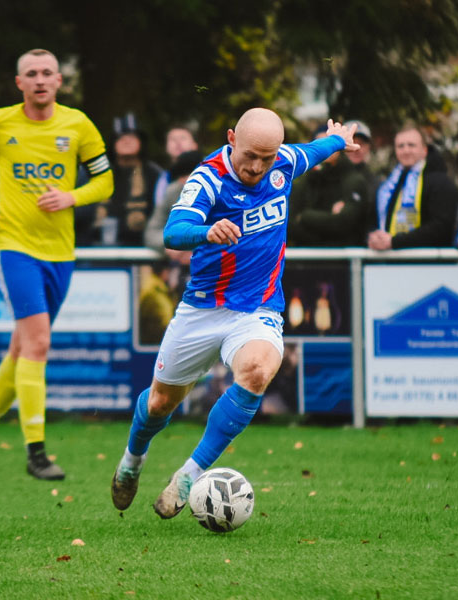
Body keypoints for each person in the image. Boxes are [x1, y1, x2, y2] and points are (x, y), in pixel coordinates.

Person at [109, 108, 358, 518]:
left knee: (259, 371)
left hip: (257, 310)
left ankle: (188, 477)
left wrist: (337, 139)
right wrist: (206, 231)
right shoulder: (208, 178)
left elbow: (312, 151)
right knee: (159, 404)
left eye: (266, 156)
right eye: (249, 156)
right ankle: (131, 462)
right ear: (230, 139)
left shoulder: (282, 163)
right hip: (202, 309)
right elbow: (173, 232)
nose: (257, 166)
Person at [0, 48, 114, 480]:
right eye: (32, 74)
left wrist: (72, 196)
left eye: (47, 73)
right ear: (19, 83)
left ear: (59, 81)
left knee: (22, 347)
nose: (40, 79)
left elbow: (106, 181)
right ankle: (36, 453)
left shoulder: (78, 124)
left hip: (60, 252)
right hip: (13, 247)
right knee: (38, 343)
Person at [367, 125, 458, 250]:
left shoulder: (441, 182)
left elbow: (441, 228)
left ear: (424, 150)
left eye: (411, 145)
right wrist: (374, 237)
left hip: (427, 263)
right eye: (400, 146)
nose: (406, 150)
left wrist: (396, 241)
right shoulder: (389, 185)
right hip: (390, 263)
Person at [286, 124, 370, 247]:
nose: (325, 148)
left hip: (342, 259)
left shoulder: (353, 180)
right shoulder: (305, 180)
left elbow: (344, 224)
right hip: (306, 257)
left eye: (330, 142)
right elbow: (290, 224)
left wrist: (304, 217)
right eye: (320, 143)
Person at [107, 122, 163, 246]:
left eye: (132, 137)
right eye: (120, 137)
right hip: (99, 247)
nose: (126, 141)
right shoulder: (102, 173)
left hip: (144, 248)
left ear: (141, 142)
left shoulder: (155, 174)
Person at [152, 126, 199, 208]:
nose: (178, 142)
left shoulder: (208, 169)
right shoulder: (162, 177)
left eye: (183, 138)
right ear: (166, 147)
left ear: (195, 145)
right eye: (173, 139)